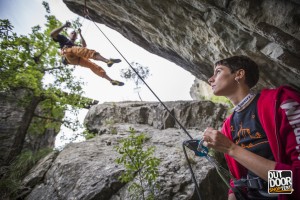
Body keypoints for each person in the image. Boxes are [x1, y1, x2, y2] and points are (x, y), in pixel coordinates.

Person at [202, 55, 300, 200]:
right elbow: (237, 177)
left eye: (218, 71)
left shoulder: (280, 102)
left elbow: (296, 183)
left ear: (239, 75)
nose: (210, 79)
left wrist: (231, 149)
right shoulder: (228, 125)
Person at [50, 21, 124, 86]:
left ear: (76, 38)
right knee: (82, 51)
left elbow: (84, 46)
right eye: (72, 33)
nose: (73, 34)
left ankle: (111, 80)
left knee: (92, 65)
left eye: (75, 34)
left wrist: (80, 34)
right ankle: (107, 61)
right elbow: (52, 34)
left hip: (77, 60)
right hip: (68, 54)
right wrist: (64, 26)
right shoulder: (63, 39)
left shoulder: (76, 46)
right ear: (69, 35)